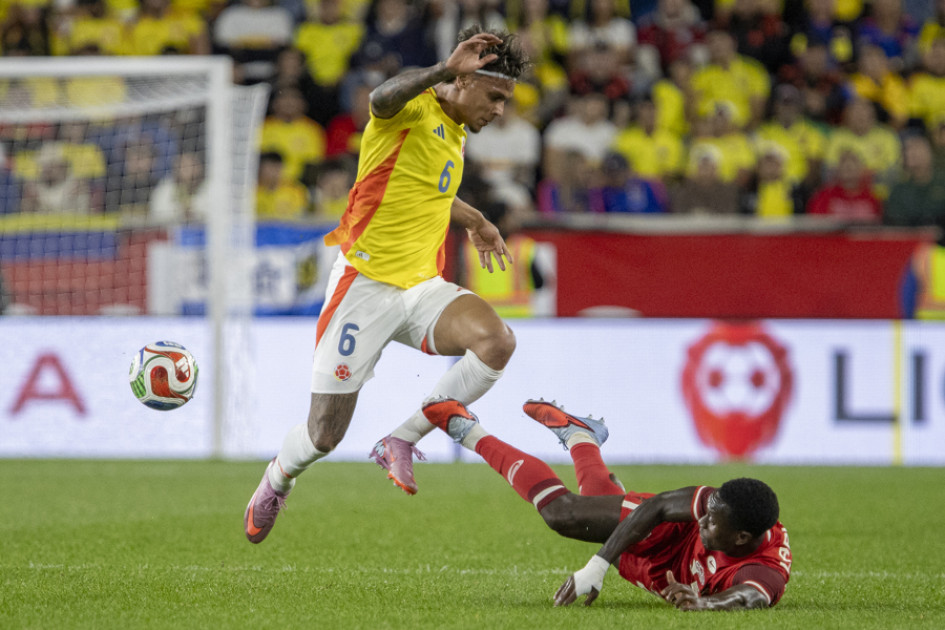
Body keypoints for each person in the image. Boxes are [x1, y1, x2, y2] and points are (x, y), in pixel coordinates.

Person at [244, 26, 528, 543]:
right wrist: (442, 69)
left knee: (497, 342)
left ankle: (400, 439)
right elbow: (380, 98)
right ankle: (278, 477)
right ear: (464, 80)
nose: (500, 110)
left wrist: (475, 219)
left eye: (505, 100)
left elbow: (426, 189)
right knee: (324, 435)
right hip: (364, 286)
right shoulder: (413, 107)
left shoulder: (456, 132)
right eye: (495, 96)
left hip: (421, 288)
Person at [420, 397, 792, 610]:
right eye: (706, 514)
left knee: (598, 504)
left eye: (712, 523)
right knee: (564, 515)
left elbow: (748, 597)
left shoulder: (764, 571)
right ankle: (468, 431)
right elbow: (661, 506)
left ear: (742, 538)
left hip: (661, 572)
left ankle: (582, 437)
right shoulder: (720, 506)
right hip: (666, 534)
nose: (703, 521)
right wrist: (596, 566)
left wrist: (706, 603)